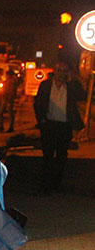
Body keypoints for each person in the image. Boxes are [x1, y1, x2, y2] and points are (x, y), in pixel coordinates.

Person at [33, 61, 86, 195]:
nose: (62, 74)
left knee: (62, 155)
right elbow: (38, 103)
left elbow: (82, 95)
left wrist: (74, 80)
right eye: (59, 70)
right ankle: (45, 185)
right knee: (48, 155)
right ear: (54, 71)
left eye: (64, 71)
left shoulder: (70, 86)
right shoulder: (45, 85)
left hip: (65, 125)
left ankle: (57, 184)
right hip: (49, 125)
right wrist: (42, 120)